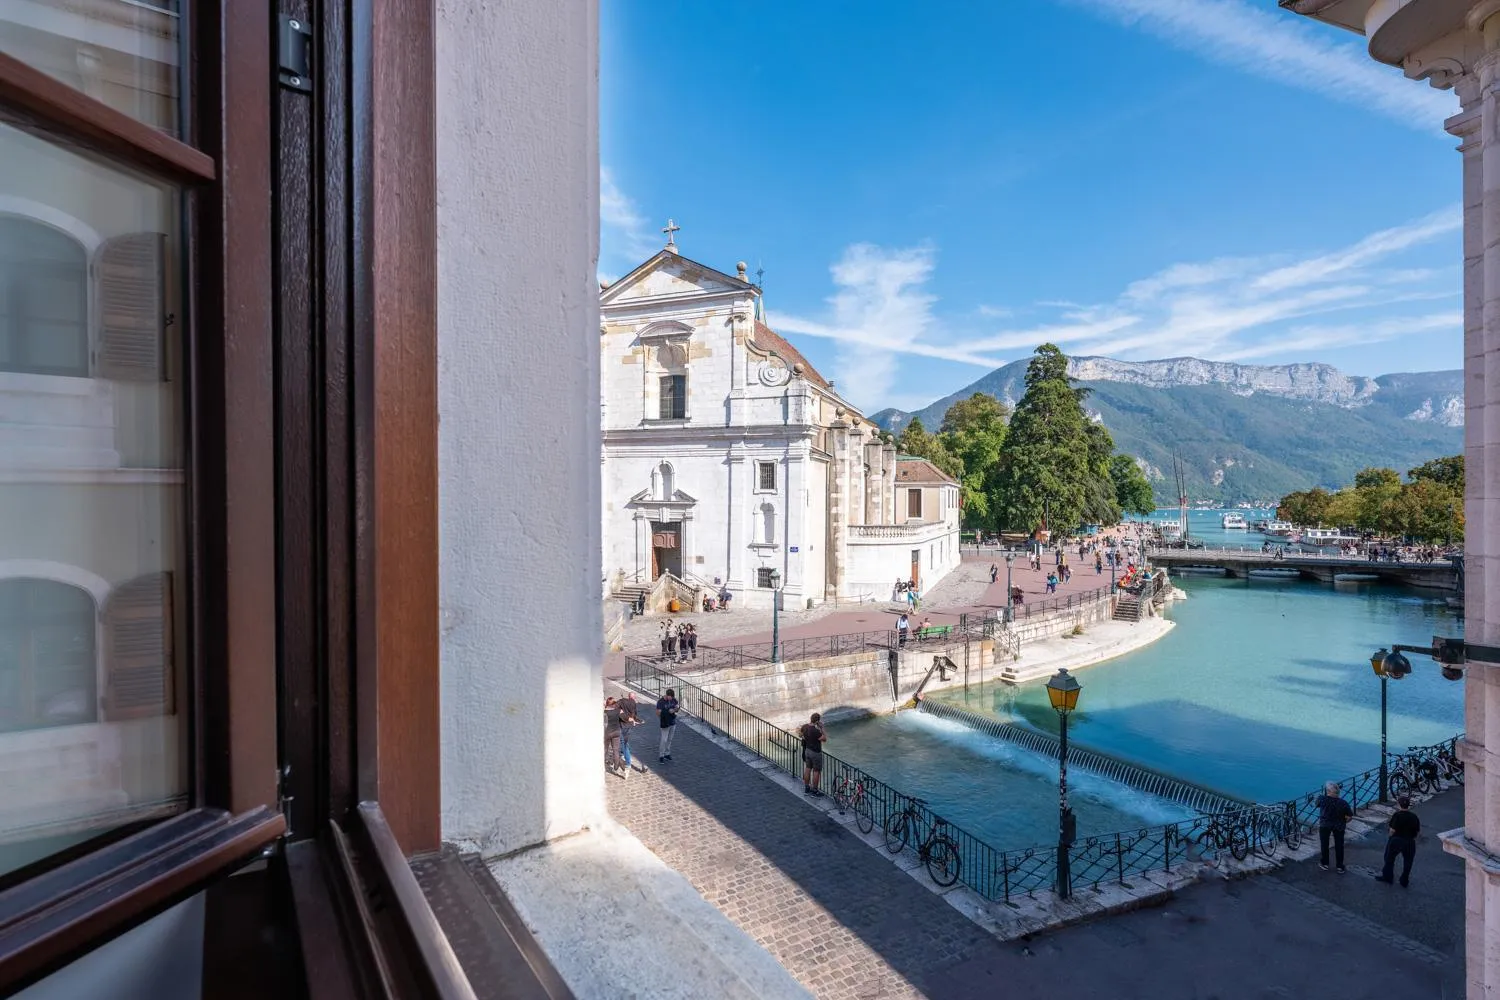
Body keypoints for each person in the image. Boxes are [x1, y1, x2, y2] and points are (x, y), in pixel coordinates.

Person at [1376, 796, 1421, 887]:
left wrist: (1390, 838)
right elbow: (1417, 831)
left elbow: (1392, 830)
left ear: (1399, 805)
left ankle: (1388, 877)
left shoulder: (1397, 815)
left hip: (1397, 839)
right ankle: (1404, 880)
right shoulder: (1414, 816)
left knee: (1389, 858)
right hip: (1410, 841)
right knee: (1408, 861)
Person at [1316, 780, 1354, 873]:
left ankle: (1325, 863)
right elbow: (1350, 817)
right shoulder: (1343, 803)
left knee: (1324, 844)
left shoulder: (1322, 799)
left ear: (1328, 791)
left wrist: (1321, 796)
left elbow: (1317, 804)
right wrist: (1344, 821)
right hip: (1339, 825)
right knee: (1339, 845)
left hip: (1325, 824)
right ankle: (1339, 866)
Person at [799, 712, 827, 796]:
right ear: (817, 721)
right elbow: (824, 739)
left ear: (811, 719)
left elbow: (800, 734)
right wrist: (822, 728)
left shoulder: (805, 726)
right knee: (816, 771)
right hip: (815, 752)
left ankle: (807, 787)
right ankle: (815, 790)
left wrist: (805, 738)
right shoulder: (815, 731)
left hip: (807, 750)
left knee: (808, 768)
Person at [618, 692, 641, 777]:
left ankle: (628, 763)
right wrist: (634, 720)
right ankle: (622, 754)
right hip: (628, 726)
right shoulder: (633, 703)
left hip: (623, 726)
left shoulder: (622, 703)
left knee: (624, 744)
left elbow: (622, 714)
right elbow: (634, 714)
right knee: (625, 742)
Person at [656, 688, 679, 762]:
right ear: (667, 695)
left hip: (672, 722)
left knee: (670, 739)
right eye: (670, 697)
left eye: (672, 698)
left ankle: (667, 753)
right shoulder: (661, 702)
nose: (671, 699)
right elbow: (657, 713)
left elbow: (677, 707)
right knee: (664, 740)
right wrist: (667, 711)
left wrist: (674, 710)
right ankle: (661, 755)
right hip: (665, 723)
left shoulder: (673, 700)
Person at [604, 696, 623, 775]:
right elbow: (622, 714)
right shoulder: (618, 710)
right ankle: (616, 767)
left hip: (608, 732)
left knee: (605, 749)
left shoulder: (605, 712)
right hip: (617, 732)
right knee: (616, 750)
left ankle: (603, 763)